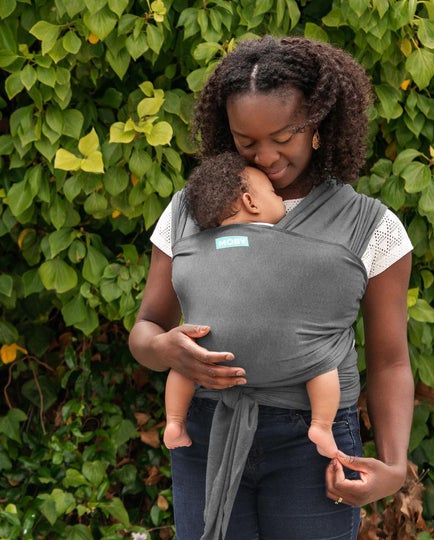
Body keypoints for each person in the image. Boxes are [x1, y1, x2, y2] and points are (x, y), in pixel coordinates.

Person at [129, 35, 414, 540]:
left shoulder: (371, 226)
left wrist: (392, 466)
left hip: (316, 446)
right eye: (246, 142)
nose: (265, 157)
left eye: (283, 137)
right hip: (208, 433)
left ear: (319, 126)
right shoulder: (193, 208)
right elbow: (146, 327)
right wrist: (164, 348)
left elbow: (390, 359)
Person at [163, 151, 341, 460]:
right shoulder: (288, 240)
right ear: (251, 202)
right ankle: (322, 426)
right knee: (323, 363)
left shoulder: (198, 246)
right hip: (286, 347)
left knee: (182, 366)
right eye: (273, 194)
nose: (281, 201)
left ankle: (174, 423)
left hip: (209, 347)